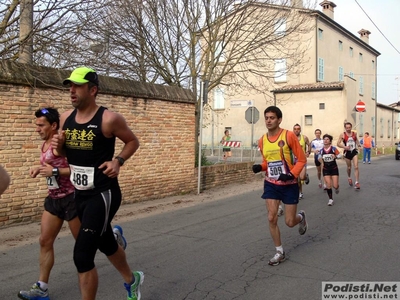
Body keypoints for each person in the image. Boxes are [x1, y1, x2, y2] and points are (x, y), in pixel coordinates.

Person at [51, 67, 143, 300]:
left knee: (82, 256)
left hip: (103, 193)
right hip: (79, 193)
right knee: (106, 245)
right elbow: (63, 153)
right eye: (70, 86)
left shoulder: (109, 119)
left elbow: (132, 141)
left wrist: (118, 161)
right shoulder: (65, 118)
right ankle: (133, 280)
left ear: (93, 90)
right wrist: (58, 144)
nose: (72, 90)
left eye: (78, 86)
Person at [18, 107, 81, 300]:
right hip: (54, 199)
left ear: (54, 126)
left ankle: (111, 235)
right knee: (45, 241)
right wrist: (39, 168)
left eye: (41, 125)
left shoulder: (62, 143)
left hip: (72, 198)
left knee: (86, 243)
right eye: (36, 124)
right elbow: (51, 165)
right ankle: (41, 288)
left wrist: (53, 172)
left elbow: (77, 169)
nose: (37, 129)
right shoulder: (45, 144)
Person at [252, 106, 308, 266]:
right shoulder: (262, 140)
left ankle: (301, 217)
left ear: (279, 120)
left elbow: (302, 159)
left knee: (290, 222)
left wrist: (291, 174)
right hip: (271, 184)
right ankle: (279, 252)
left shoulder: (288, 136)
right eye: (266, 118)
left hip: (289, 184)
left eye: (272, 118)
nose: (268, 120)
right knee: (271, 217)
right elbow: (267, 162)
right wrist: (260, 167)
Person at [337, 122, 361, 189]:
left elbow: (356, 140)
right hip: (347, 152)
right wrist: (344, 147)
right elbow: (338, 144)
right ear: (345, 128)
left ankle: (357, 182)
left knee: (356, 167)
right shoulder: (343, 135)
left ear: (351, 127)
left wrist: (359, 145)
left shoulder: (354, 133)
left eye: (349, 127)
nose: (348, 129)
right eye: (347, 128)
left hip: (353, 151)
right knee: (349, 167)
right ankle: (349, 177)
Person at [319, 134, 340, 206]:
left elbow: (340, 155)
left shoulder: (333, 148)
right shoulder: (321, 150)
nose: (325, 140)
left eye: (327, 139)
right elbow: (319, 158)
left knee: (335, 185)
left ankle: (337, 188)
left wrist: (336, 156)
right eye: (324, 139)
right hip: (326, 169)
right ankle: (330, 199)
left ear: (330, 141)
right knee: (328, 184)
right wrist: (320, 159)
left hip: (334, 168)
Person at [292, 124, 311, 199]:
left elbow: (309, 145)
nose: (296, 130)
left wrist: (308, 152)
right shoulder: (290, 137)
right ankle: (300, 192)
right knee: (297, 179)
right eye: (295, 129)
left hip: (302, 160)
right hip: (293, 160)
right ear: (293, 130)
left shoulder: (304, 137)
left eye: (298, 129)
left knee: (302, 177)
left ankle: (306, 177)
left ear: (300, 130)